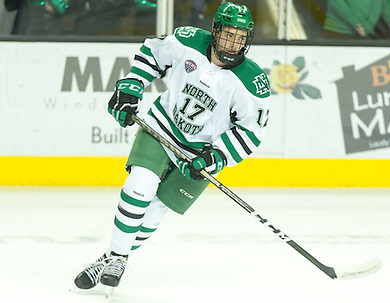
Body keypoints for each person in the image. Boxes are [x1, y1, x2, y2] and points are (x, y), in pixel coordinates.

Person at [73, 1, 270, 292]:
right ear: (215, 30)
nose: (233, 43)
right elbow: (152, 52)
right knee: (138, 186)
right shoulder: (188, 41)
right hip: (162, 127)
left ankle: (112, 257)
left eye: (240, 37)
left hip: (199, 153)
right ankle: (118, 256)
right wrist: (131, 85)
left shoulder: (253, 83)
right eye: (229, 34)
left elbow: (250, 132)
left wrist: (217, 157)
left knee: (154, 212)